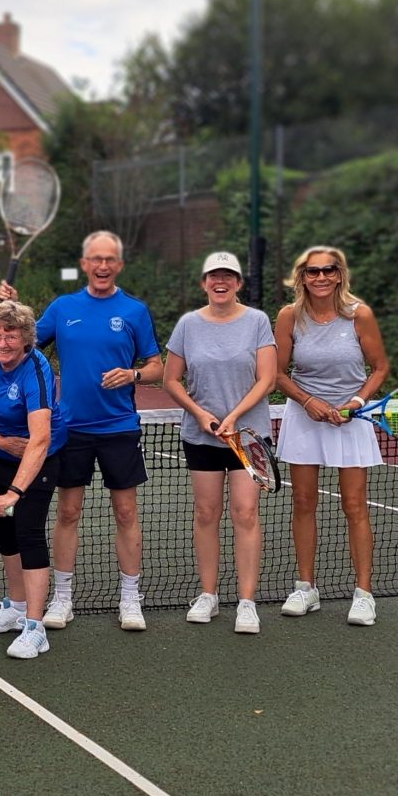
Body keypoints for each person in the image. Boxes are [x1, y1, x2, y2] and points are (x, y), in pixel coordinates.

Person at [0, 230, 162, 632]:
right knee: (68, 511)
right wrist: (8, 310)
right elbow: (19, 340)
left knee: (125, 512)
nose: (102, 266)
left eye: (110, 260)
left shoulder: (135, 311)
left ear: (118, 265)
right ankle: (63, 598)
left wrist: (134, 373)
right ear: (85, 264)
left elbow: (158, 366)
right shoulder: (63, 307)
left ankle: (129, 599)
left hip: (119, 427)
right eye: (95, 259)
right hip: (70, 430)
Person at [273, 246, 389, 626]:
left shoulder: (360, 315)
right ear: (302, 277)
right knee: (303, 502)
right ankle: (306, 587)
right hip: (305, 417)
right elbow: (277, 374)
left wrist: (355, 402)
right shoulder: (289, 317)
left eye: (328, 270)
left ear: (339, 275)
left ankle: (363, 594)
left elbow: (379, 367)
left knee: (354, 505)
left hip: (351, 419)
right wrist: (309, 402)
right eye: (312, 271)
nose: (320, 277)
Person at [162, 251, 277, 634]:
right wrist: (200, 414)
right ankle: (208, 595)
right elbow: (171, 380)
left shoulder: (258, 321)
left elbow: (267, 379)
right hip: (202, 436)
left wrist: (232, 417)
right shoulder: (188, 325)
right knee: (206, 514)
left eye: (228, 276)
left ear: (239, 283)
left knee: (245, 513)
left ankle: (247, 602)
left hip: (248, 437)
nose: (220, 282)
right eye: (214, 276)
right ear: (204, 282)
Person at [0, 301, 68, 659]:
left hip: (39, 459)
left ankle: (35, 627)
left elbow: (39, 440)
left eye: (10, 335)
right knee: (1, 529)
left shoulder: (36, 369)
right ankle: (16, 605)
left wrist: (14, 492)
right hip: (0, 455)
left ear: (26, 338)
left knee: (27, 532)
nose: (3, 343)